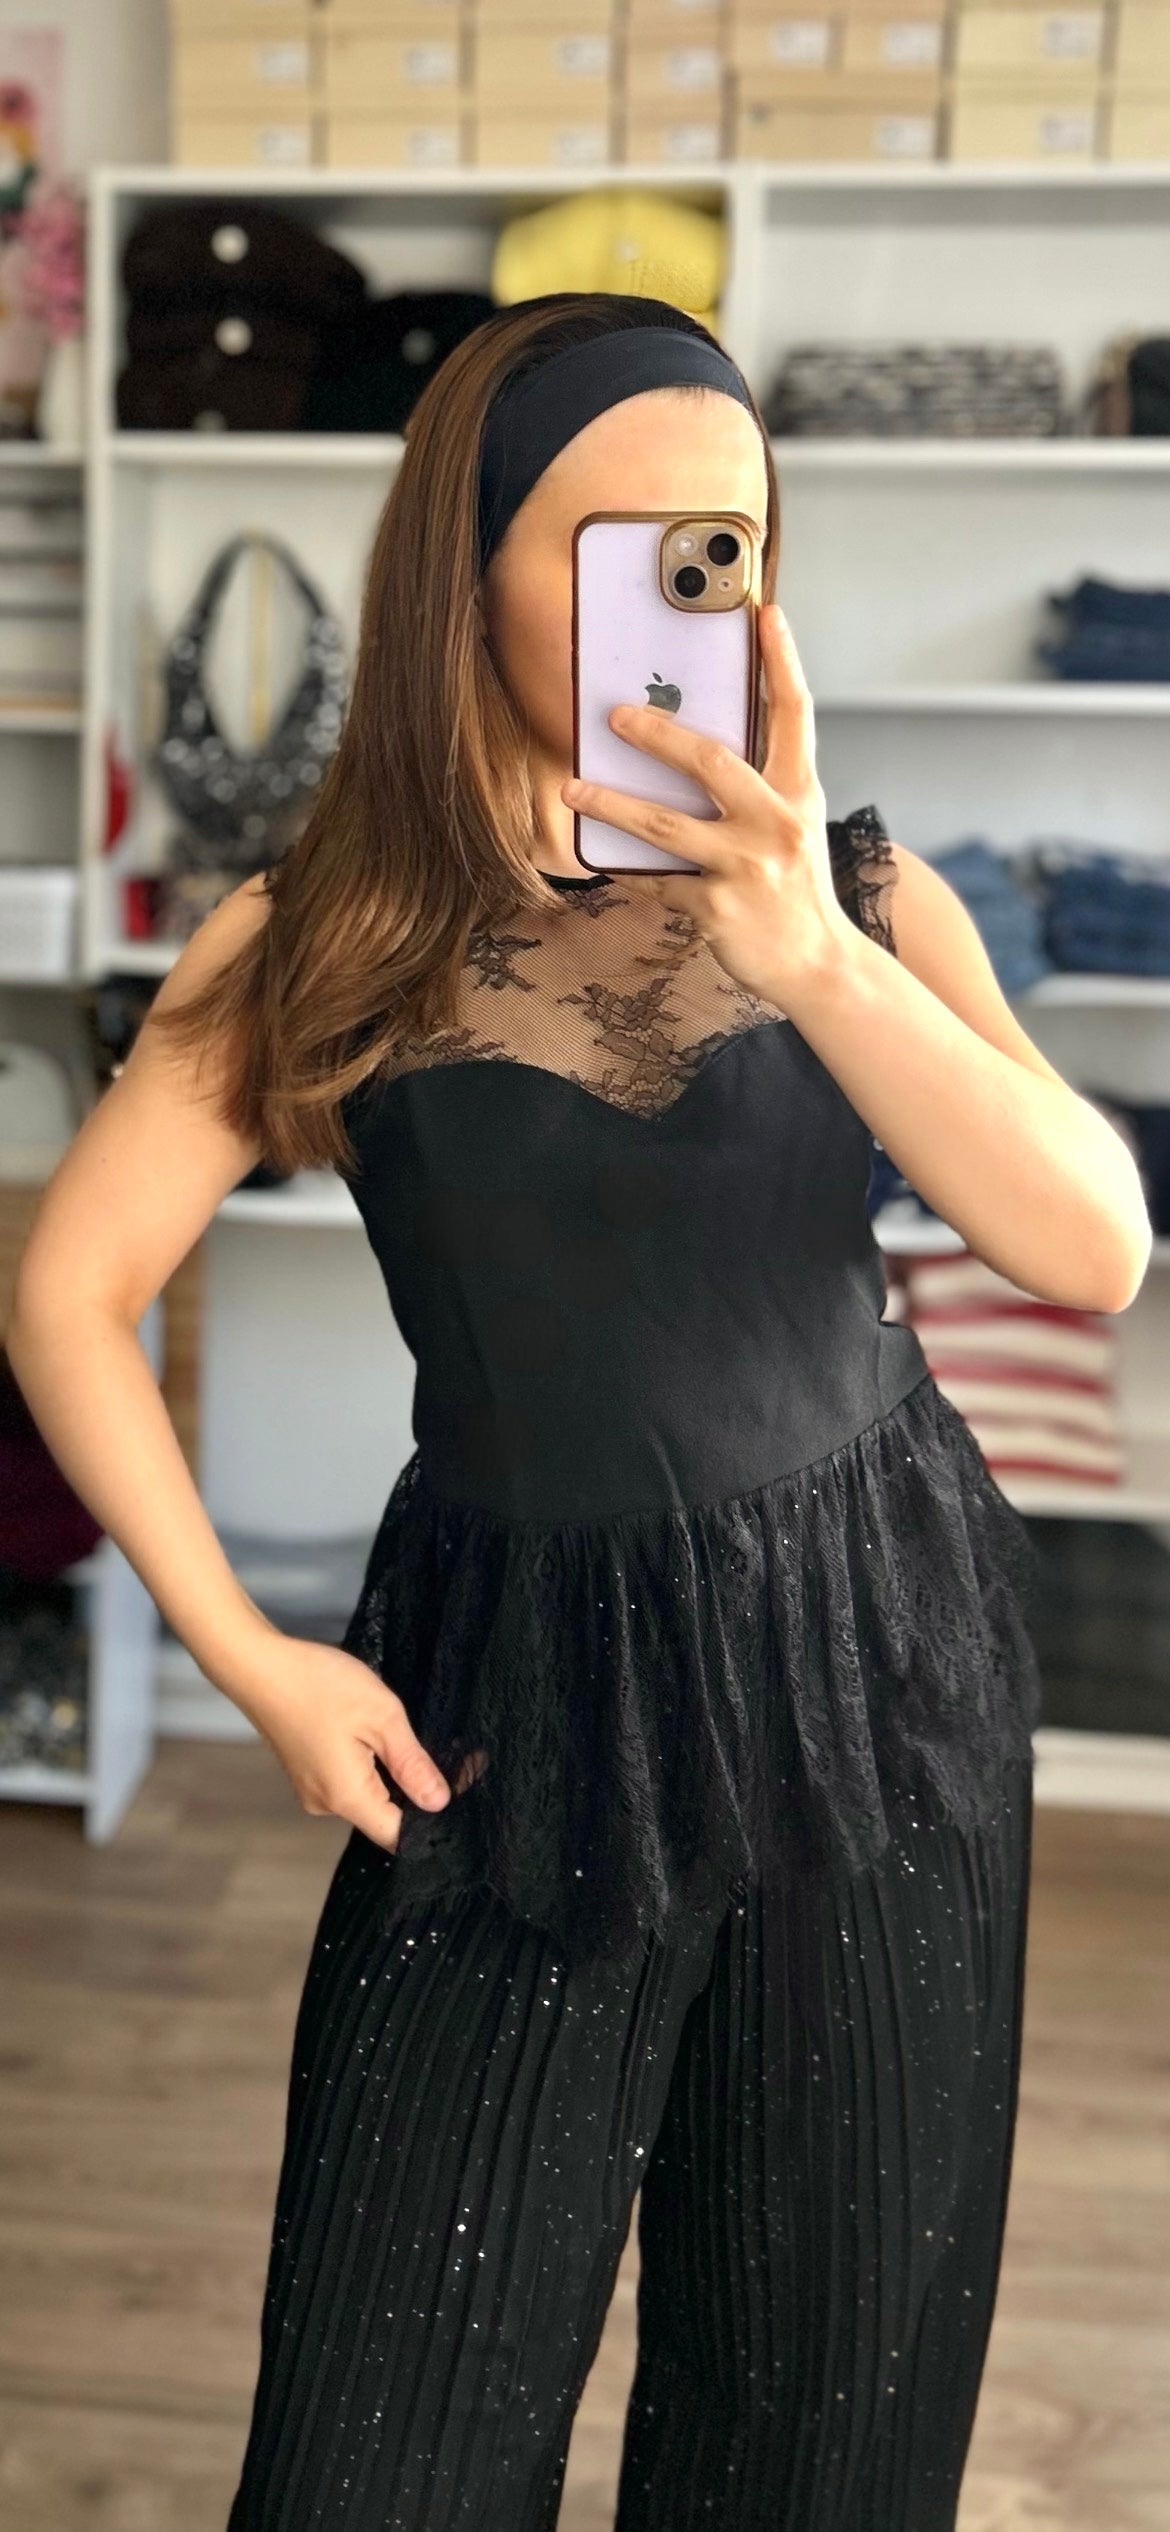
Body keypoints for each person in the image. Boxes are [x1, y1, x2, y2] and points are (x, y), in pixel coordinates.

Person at [7, 294, 1151, 2531]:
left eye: (732, 549)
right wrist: (245, 1654)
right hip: (509, 1698)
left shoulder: (865, 897)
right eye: (631, 549)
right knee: (381, 2443)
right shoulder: (317, 935)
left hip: (877, 1663)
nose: (689, 604)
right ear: (472, 568)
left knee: (824, 2417)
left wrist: (806, 948)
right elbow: (68, 1286)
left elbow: (1095, 1246)